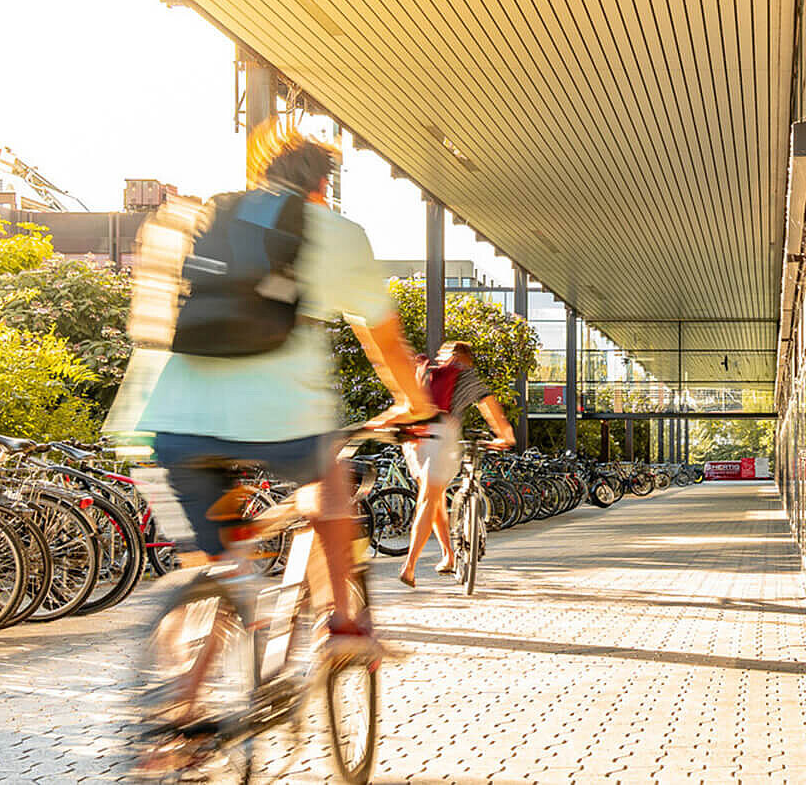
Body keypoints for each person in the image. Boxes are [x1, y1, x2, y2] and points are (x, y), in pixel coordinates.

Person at [107, 121, 439, 649]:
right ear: (322, 185)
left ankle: (182, 709)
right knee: (328, 483)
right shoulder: (336, 233)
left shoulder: (201, 217)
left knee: (220, 564)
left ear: (262, 171)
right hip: (282, 421)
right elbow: (388, 345)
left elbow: (150, 319)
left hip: (171, 422)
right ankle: (343, 623)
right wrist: (413, 405)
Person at [398, 340, 515, 586]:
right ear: (466, 358)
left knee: (433, 497)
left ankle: (448, 555)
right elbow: (489, 406)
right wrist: (505, 435)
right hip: (441, 435)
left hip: (415, 437)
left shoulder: (427, 371)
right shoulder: (465, 374)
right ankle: (409, 566)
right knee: (430, 499)